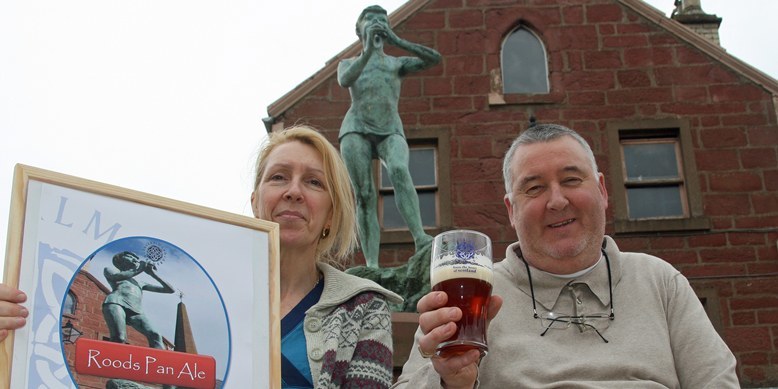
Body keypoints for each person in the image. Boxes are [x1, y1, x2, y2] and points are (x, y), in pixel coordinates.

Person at [0, 125, 403, 389]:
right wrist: (10, 343)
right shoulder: (210, 292)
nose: (294, 191)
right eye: (278, 177)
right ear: (255, 201)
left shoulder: (362, 309)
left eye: (313, 182)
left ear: (332, 212)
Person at [393, 123, 739, 388]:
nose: (557, 201)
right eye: (535, 188)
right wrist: (449, 380)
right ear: (512, 211)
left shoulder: (660, 281)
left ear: (602, 190)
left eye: (571, 180)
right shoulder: (470, 298)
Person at [337, 5, 440, 267]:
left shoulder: (396, 64)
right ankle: (372, 263)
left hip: (390, 129)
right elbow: (345, 80)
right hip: (356, 129)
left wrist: (397, 40)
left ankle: (420, 237)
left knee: (398, 169)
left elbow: (433, 59)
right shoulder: (349, 63)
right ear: (360, 30)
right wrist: (368, 52)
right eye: (371, 20)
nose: (377, 23)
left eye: (382, 20)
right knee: (364, 194)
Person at [102, 250, 175, 349]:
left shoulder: (140, 283)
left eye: (136, 259)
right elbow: (116, 277)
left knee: (155, 335)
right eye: (130, 257)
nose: (135, 260)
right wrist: (140, 269)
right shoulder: (110, 270)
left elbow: (169, 290)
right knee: (119, 338)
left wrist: (153, 274)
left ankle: (158, 362)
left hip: (136, 311)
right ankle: (114, 360)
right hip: (116, 303)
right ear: (120, 260)